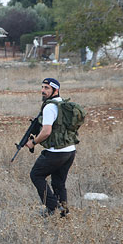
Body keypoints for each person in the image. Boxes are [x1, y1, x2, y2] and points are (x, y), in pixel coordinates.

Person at [25, 77, 76, 218]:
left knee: (36, 175)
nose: (43, 90)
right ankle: (64, 213)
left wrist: (33, 142)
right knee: (59, 183)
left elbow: (46, 131)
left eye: (46, 88)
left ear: (56, 90)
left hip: (56, 152)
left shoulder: (49, 107)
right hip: (70, 151)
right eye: (42, 87)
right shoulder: (63, 104)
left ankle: (52, 207)